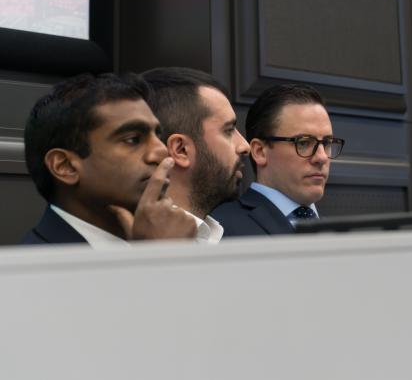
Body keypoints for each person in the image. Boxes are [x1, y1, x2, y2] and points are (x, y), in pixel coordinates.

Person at [22, 73, 198, 246]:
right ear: (65, 166)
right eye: (133, 139)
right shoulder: (35, 263)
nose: (162, 152)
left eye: (158, 136)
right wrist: (163, 255)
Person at [212, 84, 344, 236]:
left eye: (327, 143)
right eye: (303, 143)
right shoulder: (219, 230)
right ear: (260, 152)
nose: (321, 157)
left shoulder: (338, 232)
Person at [142, 67, 250, 243]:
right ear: (181, 150)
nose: (245, 146)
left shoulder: (214, 237)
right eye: (229, 130)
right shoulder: (124, 251)